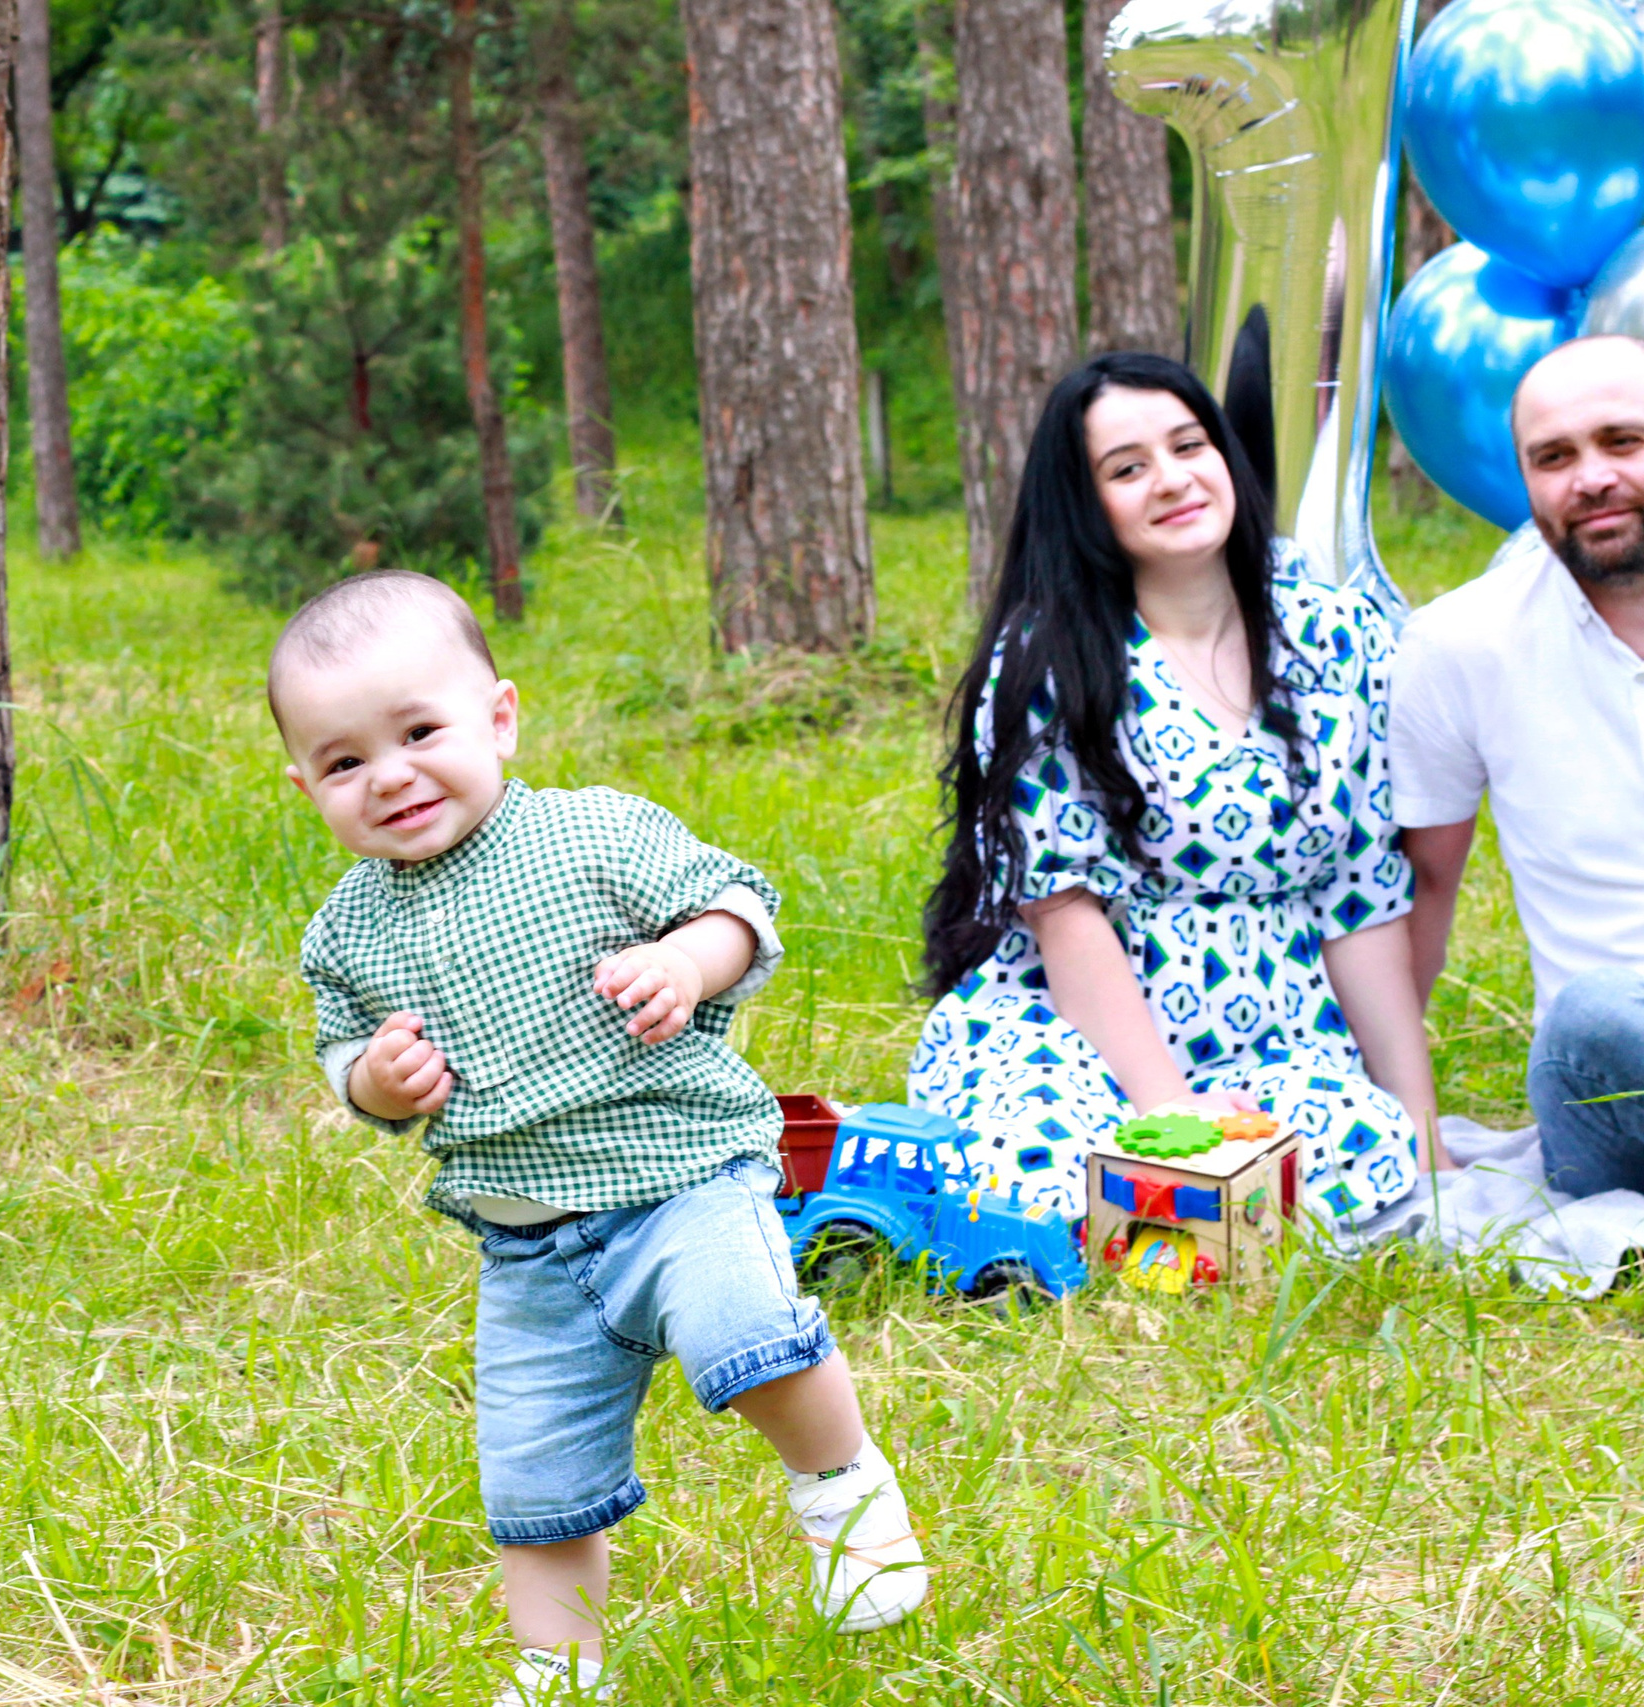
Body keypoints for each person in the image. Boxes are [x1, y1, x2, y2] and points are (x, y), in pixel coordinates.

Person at [275, 571, 925, 1703]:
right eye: (343, 762)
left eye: (419, 732)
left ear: (500, 718)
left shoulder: (592, 835)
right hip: (525, 1250)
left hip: (681, 1178)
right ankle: (558, 1673)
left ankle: (841, 1489)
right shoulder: (344, 933)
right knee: (533, 1476)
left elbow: (739, 905)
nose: (389, 776)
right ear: (305, 786)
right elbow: (344, 1061)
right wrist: (378, 1082)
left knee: (747, 1332)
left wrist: (686, 960)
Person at [909, 351, 1443, 1224]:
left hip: (1277, 1034)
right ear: (1085, 504)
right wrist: (1167, 1116)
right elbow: (1065, 912)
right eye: (1127, 468)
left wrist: (1422, 1126)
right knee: (1049, 1176)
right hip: (1081, 1031)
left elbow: (1360, 899)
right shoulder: (1049, 659)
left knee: (1364, 1143)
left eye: (1189, 445)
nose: (1172, 479)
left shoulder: (1340, 635)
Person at [1395, 334, 1644, 1197]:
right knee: (1599, 1012)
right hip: (1614, 1077)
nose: (1591, 477)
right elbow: (1423, 887)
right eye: (1554, 457)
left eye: (1623, 441)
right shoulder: (1463, 644)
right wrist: (1403, 1122)